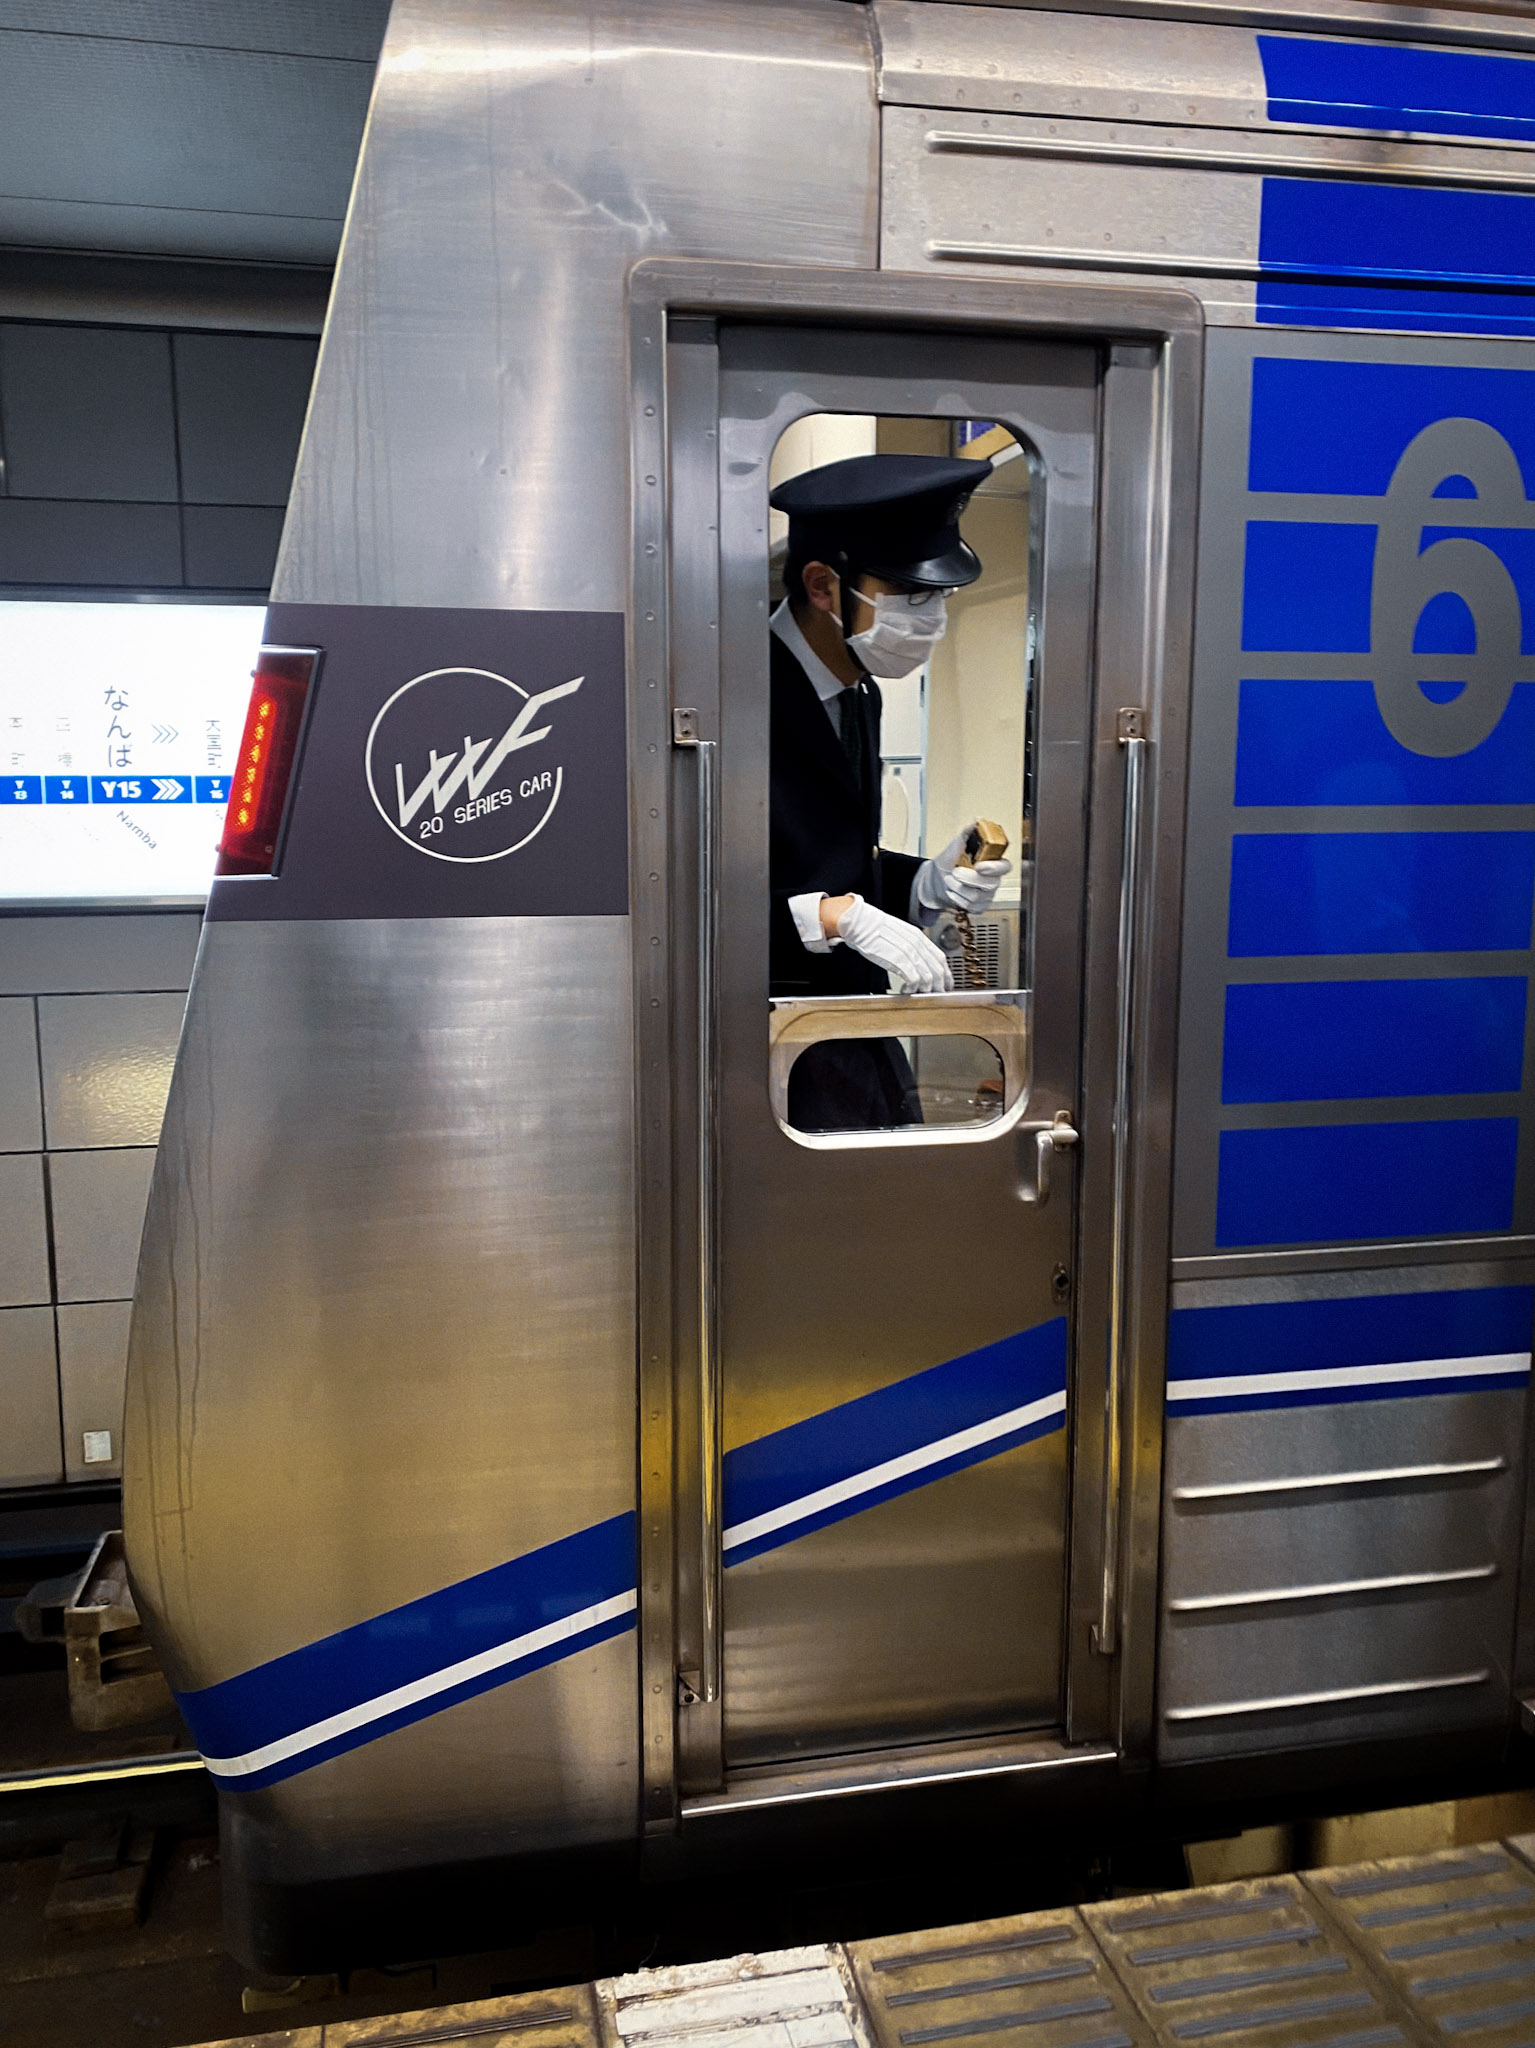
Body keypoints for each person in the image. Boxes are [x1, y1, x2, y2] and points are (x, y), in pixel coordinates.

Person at [767, 452, 1012, 1133]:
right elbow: (689, 907)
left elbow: (830, 858)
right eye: (912, 596)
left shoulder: (857, 691)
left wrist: (919, 885)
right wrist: (835, 916)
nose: (931, 619)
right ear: (822, 585)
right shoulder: (735, 691)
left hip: (848, 1032)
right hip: (761, 1051)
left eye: (938, 597)